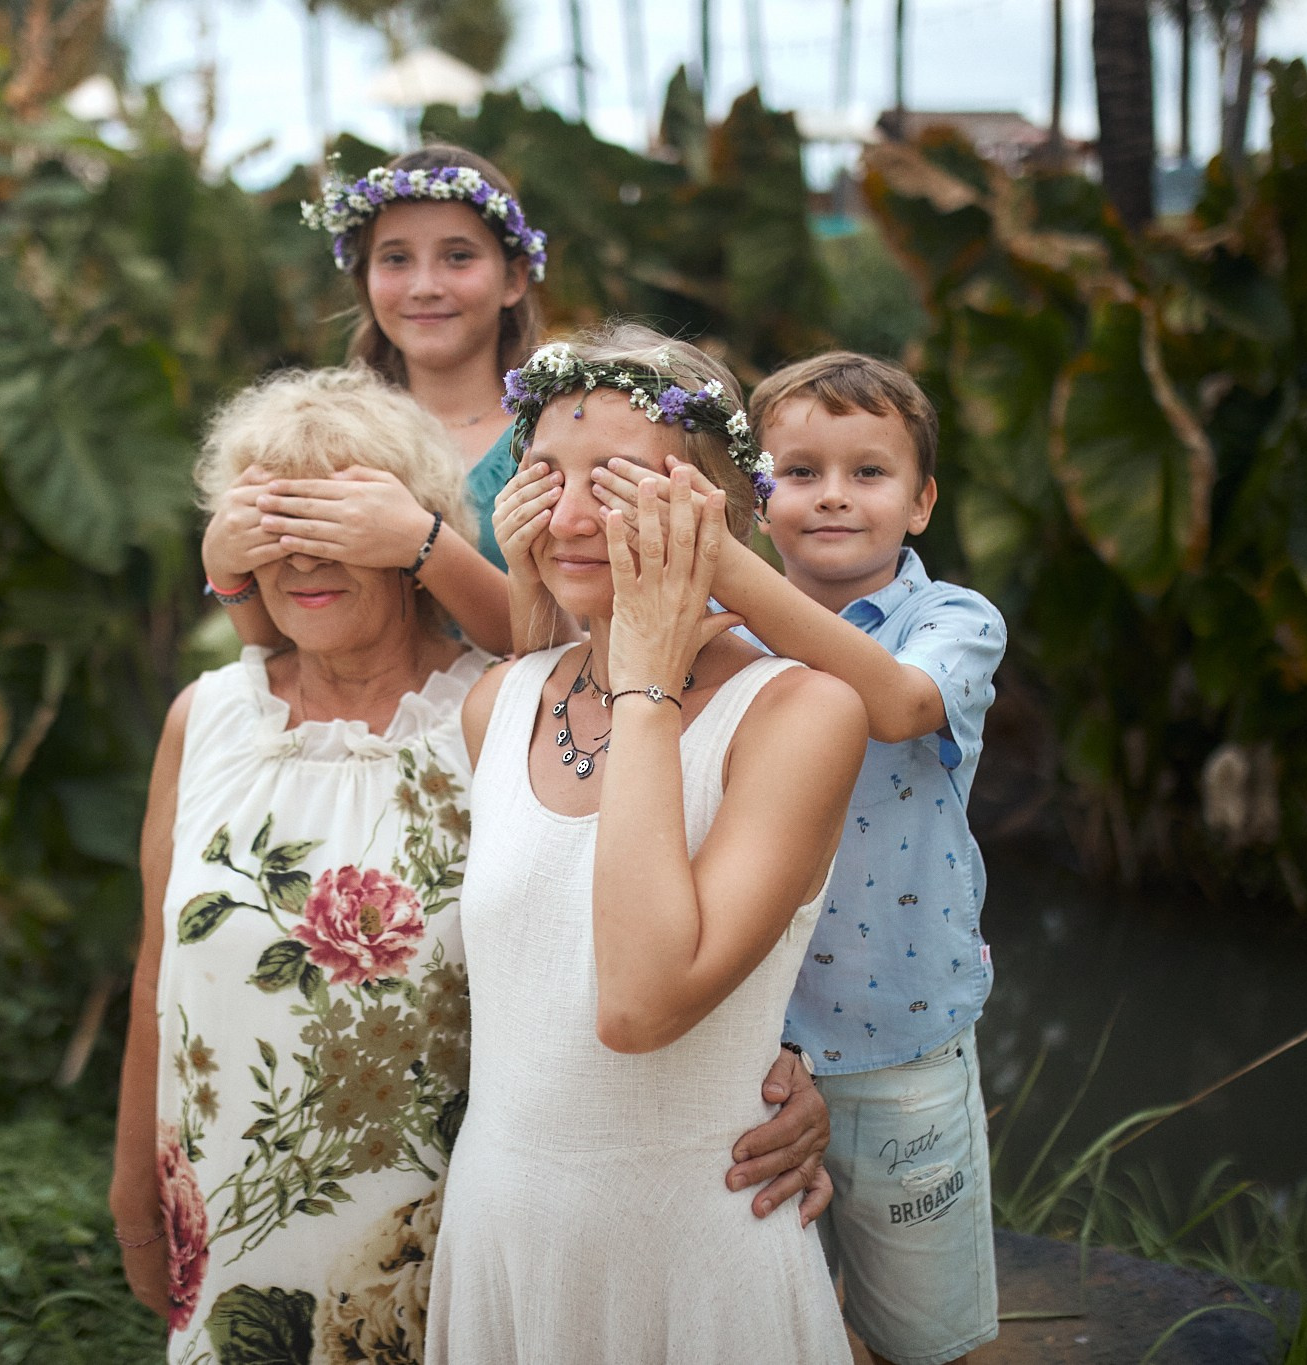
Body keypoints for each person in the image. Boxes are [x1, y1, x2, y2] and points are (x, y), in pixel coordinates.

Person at [111, 365, 832, 1365]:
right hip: (233, 1219)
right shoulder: (208, 718)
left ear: (413, 539)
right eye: (271, 525)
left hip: (440, 1237)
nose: (303, 553)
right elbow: (157, 971)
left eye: (336, 521)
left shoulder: (488, 711)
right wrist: (131, 1190)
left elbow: (610, 903)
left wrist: (775, 1055)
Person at [428, 326, 869, 1364]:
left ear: (715, 512)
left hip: (691, 1263)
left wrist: (645, 685)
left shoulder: (798, 715)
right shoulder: (501, 701)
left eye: (619, 485)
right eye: (545, 477)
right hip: (501, 1241)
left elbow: (635, 1002)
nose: (573, 518)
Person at [585, 352, 1008, 1365]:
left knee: (929, 1332)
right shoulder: (714, 639)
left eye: (867, 473)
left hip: (904, 1041)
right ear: (754, 496)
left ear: (920, 502)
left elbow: (898, 705)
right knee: (779, 1320)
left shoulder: (949, 621)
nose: (830, 496)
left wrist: (722, 564)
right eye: (798, 471)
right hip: (754, 1052)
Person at [200, 146, 546, 656]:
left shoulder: (559, 435)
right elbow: (288, 650)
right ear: (364, 279)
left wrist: (424, 545)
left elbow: (578, 647)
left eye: (458, 257)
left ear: (514, 278)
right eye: (396, 259)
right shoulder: (323, 433)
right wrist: (225, 565)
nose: (425, 287)